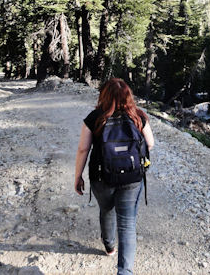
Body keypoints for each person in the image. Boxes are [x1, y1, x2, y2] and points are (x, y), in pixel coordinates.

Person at [74, 78, 155, 275]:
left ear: (104, 95)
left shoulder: (95, 117)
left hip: (101, 177)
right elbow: (150, 144)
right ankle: (124, 271)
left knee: (106, 209)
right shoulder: (138, 116)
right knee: (127, 224)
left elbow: (83, 149)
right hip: (131, 178)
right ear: (129, 96)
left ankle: (109, 245)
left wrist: (78, 176)